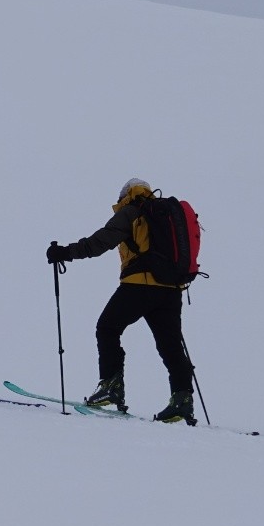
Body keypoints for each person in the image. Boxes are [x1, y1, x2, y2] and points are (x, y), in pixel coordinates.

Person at [46, 177, 198, 424]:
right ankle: (182, 400)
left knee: (107, 328)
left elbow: (101, 242)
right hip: (172, 288)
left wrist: (65, 252)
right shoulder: (166, 215)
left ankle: (111, 385)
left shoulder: (132, 211)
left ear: (125, 194)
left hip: (140, 284)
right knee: (170, 345)